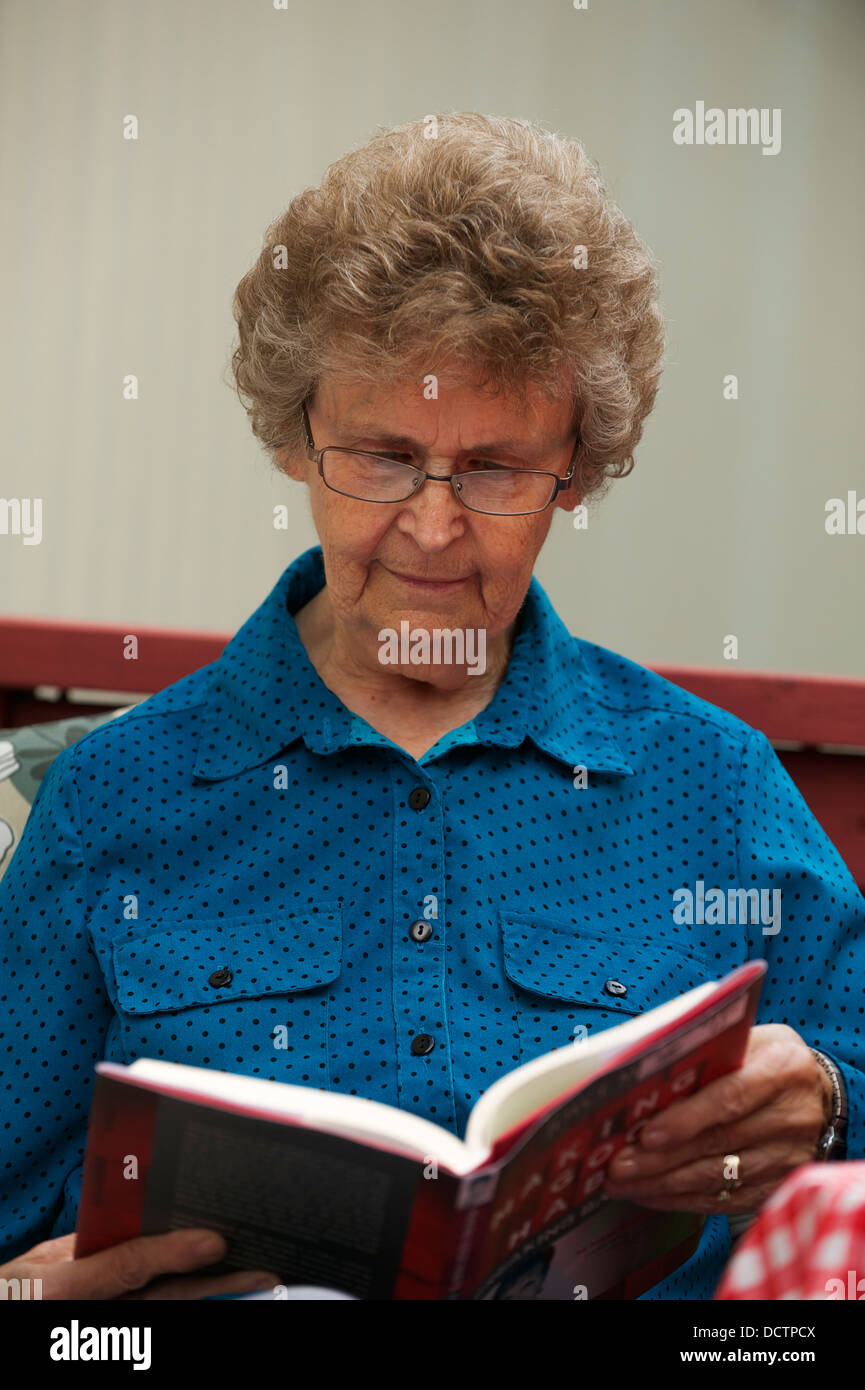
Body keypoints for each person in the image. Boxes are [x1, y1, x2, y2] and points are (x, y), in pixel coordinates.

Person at [1, 112, 862, 1301]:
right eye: (385, 456)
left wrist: (823, 1102)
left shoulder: (712, 786)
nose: (434, 525)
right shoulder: (116, 798)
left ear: (580, 466)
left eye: (498, 468)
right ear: (297, 438)